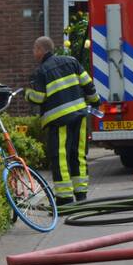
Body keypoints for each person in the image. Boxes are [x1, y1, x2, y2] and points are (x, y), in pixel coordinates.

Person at [25, 36, 99, 205]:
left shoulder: (41, 71)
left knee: (60, 156)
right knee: (78, 154)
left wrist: (27, 93)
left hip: (59, 121)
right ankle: (81, 194)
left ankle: (64, 197)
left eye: (34, 50)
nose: (33, 53)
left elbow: (38, 98)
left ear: (40, 50)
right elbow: (88, 84)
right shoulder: (71, 61)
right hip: (80, 117)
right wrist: (95, 102)